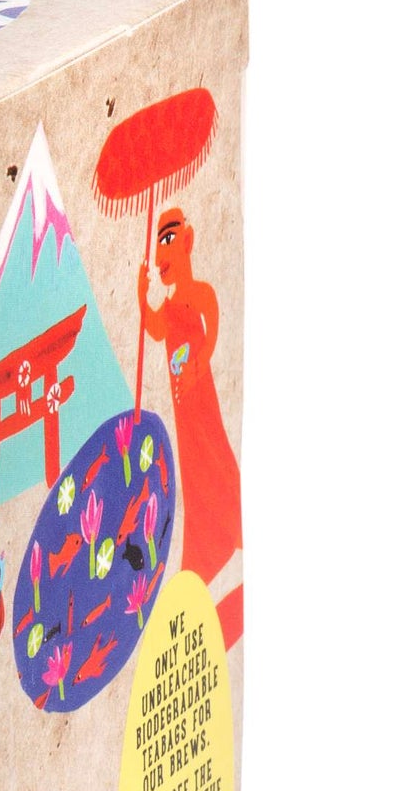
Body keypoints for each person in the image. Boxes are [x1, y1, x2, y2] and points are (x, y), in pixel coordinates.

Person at [141, 205, 243, 645]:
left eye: (168, 239)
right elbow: (156, 330)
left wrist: (200, 362)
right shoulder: (166, 305)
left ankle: (234, 528)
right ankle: (208, 547)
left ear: (188, 241)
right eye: (157, 243)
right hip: (182, 408)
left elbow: (213, 324)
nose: (161, 252)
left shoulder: (199, 293)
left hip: (201, 398)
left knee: (215, 454)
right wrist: (140, 295)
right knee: (194, 467)